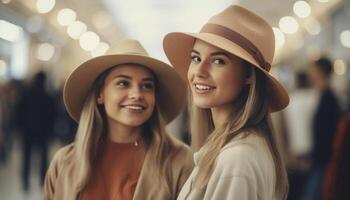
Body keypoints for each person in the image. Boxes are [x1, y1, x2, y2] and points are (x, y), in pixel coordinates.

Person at [163, 5, 289, 199]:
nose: (199, 71)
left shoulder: (236, 159)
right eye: (196, 58)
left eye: (218, 61)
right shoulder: (240, 148)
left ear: (249, 75)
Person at [44, 39, 194, 200]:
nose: (137, 94)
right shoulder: (64, 162)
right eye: (123, 83)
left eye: (147, 86)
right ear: (100, 94)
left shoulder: (180, 161)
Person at [303, 57, 341, 200]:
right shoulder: (323, 96)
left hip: (324, 160)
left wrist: (315, 156)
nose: (309, 72)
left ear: (320, 72)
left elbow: (327, 134)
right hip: (321, 158)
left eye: (312, 69)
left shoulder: (328, 98)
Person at [17, 71, 56, 191]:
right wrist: (50, 130)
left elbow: (19, 112)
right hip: (42, 132)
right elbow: (53, 115)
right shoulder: (48, 96)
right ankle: (42, 180)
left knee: (27, 157)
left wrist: (20, 128)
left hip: (28, 131)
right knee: (43, 157)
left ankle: (25, 182)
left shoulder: (26, 94)